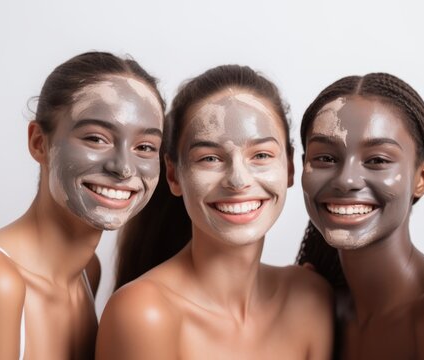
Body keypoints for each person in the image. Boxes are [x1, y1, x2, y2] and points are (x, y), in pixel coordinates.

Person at [97, 65, 333, 359]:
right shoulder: (143, 314)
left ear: (289, 168)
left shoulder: (312, 298)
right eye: (210, 158)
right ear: (173, 175)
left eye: (260, 155)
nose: (238, 180)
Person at [0, 51, 165, 359]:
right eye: (97, 138)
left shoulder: (88, 271)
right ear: (39, 143)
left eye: (145, 147)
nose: (124, 168)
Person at [296, 73, 424, 359]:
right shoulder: (320, 310)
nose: (346, 180)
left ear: (422, 177)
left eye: (378, 160)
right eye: (325, 158)